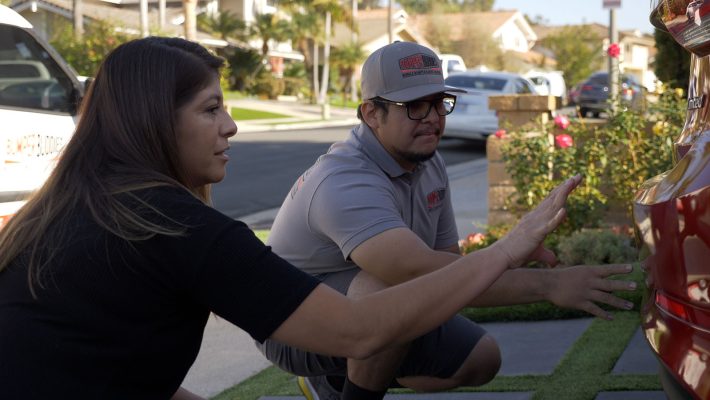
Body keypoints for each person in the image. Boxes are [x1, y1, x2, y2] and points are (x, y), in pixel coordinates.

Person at [0, 37, 589, 400]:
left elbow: (103, 369)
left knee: (477, 355)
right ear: (153, 121)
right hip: (310, 329)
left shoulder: (62, 209)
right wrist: (511, 251)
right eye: (211, 108)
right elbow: (359, 330)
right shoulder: (179, 228)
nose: (231, 125)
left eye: (440, 103)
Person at [257, 41, 637, 400]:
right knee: (388, 288)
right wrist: (548, 284)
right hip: (290, 326)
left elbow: (449, 270)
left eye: (439, 103)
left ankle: (333, 380)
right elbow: (415, 272)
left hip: (354, 304)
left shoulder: (429, 162)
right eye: (415, 106)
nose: (433, 119)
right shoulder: (345, 180)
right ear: (372, 113)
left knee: (481, 358)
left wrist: (512, 255)